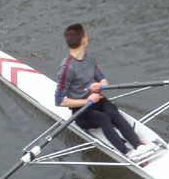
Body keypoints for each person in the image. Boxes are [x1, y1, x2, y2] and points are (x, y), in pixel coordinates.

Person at [54, 24, 156, 160]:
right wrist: (87, 101)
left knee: (113, 111)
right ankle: (127, 153)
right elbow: (59, 101)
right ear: (83, 40)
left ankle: (138, 146)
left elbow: (103, 79)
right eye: (87, 35)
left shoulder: (89, 57)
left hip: (97, 101)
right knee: (103, 118)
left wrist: (100, 86)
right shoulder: (67, 69)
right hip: (81, 111)